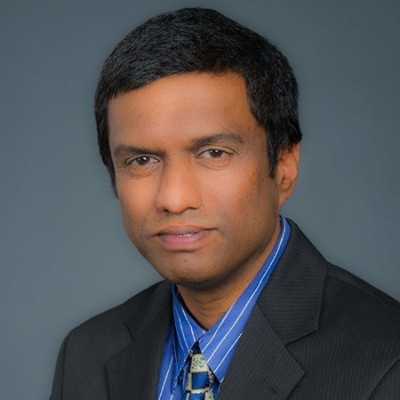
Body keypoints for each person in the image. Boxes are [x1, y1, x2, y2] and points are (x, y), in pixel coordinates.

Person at [50, 8, 400, 400]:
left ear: (284, 165)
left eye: (214, 153)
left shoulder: (387, 362)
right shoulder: (87, 354)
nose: (174, 199)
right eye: (142, 160)